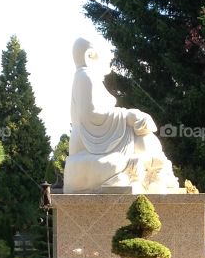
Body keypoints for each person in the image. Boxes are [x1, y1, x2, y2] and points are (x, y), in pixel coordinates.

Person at [63, 39, 181, 193]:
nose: (111, 58)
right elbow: (90, 115)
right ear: (90, 55)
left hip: (99, 139)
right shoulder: (84, 76)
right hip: (88, 142)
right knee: (140, 135)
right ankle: (147, 171)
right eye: (107, 54)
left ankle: (152, 172)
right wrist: (126, 116)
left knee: (142, 135)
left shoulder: (88, 77)